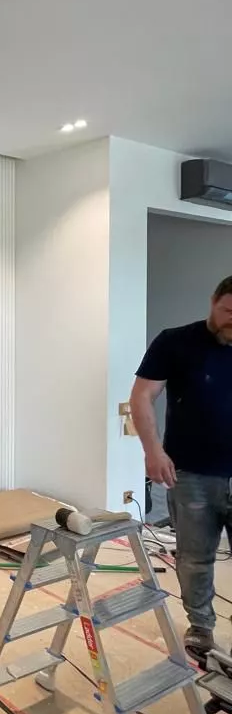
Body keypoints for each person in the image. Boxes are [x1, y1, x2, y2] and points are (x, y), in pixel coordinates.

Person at [131, 275, 232, 658]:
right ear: (213, 301)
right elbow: (143, 395)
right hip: (191, 474)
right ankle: (201, 626)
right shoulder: (175, 341)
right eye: (229, 311)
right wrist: (152, 450)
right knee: (194, 558)